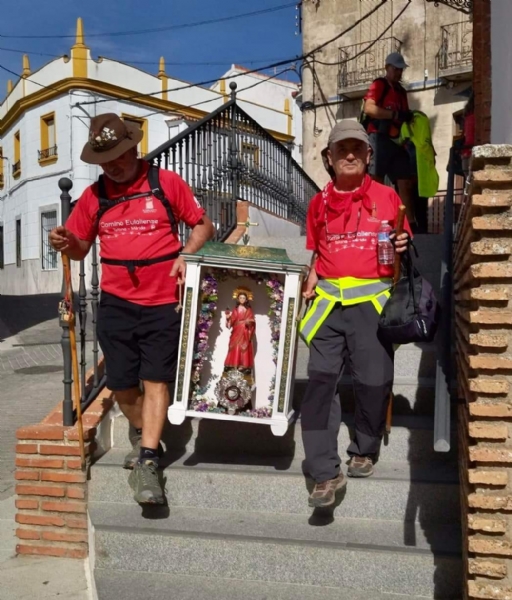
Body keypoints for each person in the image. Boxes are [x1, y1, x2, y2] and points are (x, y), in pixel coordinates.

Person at [49, 113, 214, 504]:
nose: (113, 165)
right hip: (117, 303)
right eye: (105, 160)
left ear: (134, 148)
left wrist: (186, 256)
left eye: (120, 156)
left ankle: (148, 460)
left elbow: (203, 225)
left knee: (156, 379)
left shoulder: (165, 182)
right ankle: (143, 432)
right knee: (122, 384)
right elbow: (79, 246)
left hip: (163, 301)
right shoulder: (94, 196)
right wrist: (63, 241)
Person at [299, 120, 411, 508]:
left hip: (372, 305)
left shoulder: (388, 197)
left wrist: (402, 242)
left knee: (373, 381)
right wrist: (312, 275)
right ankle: (324, 471)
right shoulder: (317, 204)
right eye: (341, 149)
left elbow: (404, 243)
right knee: (319, 384)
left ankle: (364, 448)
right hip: (328, 305)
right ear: (329, 158)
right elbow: (318, 249)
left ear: (368, 155)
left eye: (357, 149)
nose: (349, 154)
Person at [363, 52, 416, 227]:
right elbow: (369, 109)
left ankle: (408, 223)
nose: (399, 72)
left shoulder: (401, 92)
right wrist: (393, 114)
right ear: (387, 68)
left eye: (401, 69)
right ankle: (375, 220)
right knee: (376, 180)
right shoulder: (379, 85)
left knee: (405, 181)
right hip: (378, 137)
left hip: (397, 141)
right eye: (396, 69)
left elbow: (404, 115)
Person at [224, 288, 256, 374]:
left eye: (244, 298)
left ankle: (243, 365)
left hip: (245, 331)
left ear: (246, 300)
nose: (242, 299)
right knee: (234, 346)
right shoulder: (235, 309)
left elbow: (252, 320)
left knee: (244, 347)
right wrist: (228, 318)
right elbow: (232, 320)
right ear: (238, 299)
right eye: (240, 298)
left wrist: (248, 322)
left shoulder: (249, 310)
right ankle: (233, 364)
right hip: (237, 330)